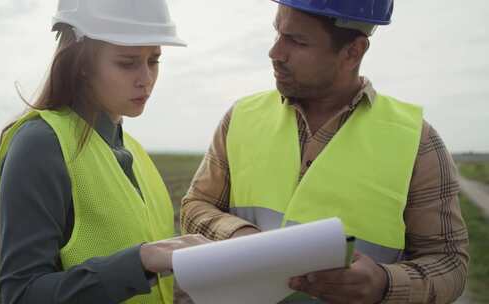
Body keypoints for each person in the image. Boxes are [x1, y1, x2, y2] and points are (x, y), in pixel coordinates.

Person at [180, 1, 468, 303]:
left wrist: (384, 283)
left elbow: (449, 262)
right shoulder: (241, 117)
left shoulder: (418, 143)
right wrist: (243, 240)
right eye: (277, 33)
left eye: (298, 41)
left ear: (353, 51)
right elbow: (196, 205)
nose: (275, 53)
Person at [0, 1, 209, 303]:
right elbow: (21, 295)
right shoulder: (41, 144)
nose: (146, 79)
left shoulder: (135, 152)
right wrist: (140, 262)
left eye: (154, 61)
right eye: (127, 62)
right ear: (82, 63)